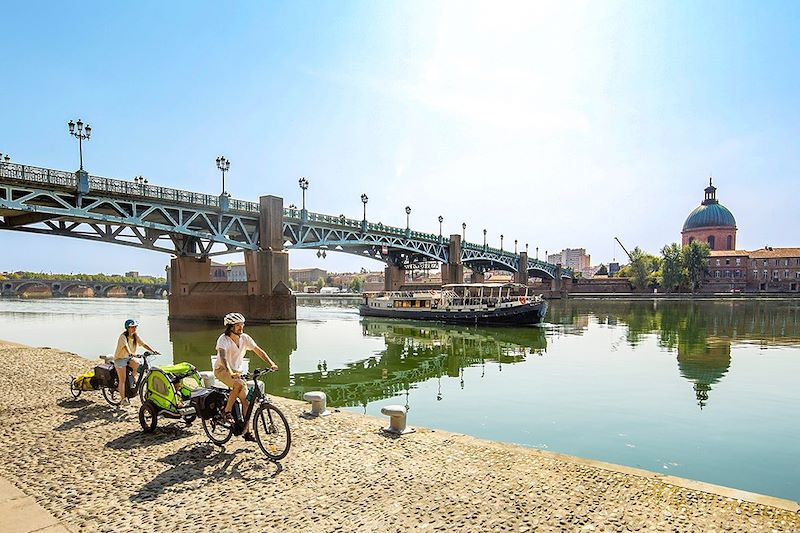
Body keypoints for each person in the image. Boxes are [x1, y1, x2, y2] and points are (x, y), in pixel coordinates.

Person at [215, 312, 278, 441]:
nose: (241, 327)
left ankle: (247, 433)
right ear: (230, 327)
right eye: (238, 325)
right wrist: (230, 372)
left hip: (237, 372)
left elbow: (259, 351)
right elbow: (223, 357)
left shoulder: (245, 338)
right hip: (222, 370)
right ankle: (226, 412)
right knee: (238, 384)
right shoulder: (223, 339)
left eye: (242, 324)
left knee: (246, 402)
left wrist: (271, 363)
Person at [114, 319, 157, 406]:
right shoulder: (123, 336)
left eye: (135, 327)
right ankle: (123, 399)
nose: (134, 328)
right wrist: (130, 353)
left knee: (137, 364)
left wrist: (153, 351)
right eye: (132, 327)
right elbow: (126, 347)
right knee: (122, 380)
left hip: (129, 358)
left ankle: (132, 380)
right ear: (127, 328)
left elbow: (143, 344)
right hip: (120, 359)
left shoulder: (135, 336)